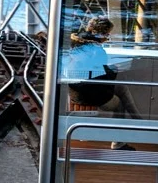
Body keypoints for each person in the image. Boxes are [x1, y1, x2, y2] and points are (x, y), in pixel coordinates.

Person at [61, 15, 142, 148]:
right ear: (97, 33)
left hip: (75, 90)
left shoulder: (77, 43)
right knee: (119, 105)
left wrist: (108, 70)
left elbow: (92, 73)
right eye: (106, 34)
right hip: (88, 94)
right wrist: (113, 70)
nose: (106, 38)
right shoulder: (97, 51)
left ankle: (138, 122)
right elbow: (100, 79)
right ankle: (118, 142)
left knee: (122, 88)